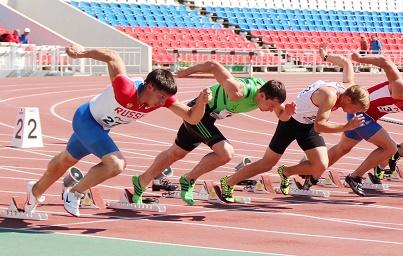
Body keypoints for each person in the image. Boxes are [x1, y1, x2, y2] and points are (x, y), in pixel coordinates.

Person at [26, 45, 210, 217]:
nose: (162, 103)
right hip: (86, 119)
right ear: (150, 86)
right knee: (116, 164)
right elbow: (112, 56)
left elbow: (192, 117)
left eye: (166, 99)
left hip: (101, 128)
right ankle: (74, 193)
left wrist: (201, 103)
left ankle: (35, 191)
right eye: (161, 97)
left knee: (66, 159)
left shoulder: (164, 100)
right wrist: (81, 53)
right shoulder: (125, 88)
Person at [217, 43, 370, 202]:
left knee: (320, 165)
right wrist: (346, 127)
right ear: (348, 98)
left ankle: (286, 172)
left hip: (307, 125)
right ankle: (228, 182)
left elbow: (346, 63)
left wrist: (326, 57)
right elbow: (320, 125)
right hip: (291, 122)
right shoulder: (329, 96)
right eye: (355, 108)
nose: (354, 112)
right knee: (267, 164)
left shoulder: (350, 87)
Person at [130, 61, 290, 205]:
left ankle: (141, 181)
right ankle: (188, 179)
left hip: (208, 118)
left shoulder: (269, 94)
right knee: (225, 153)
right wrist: (186, 72)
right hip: (199, 111)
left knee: (176, 153)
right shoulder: (238, 91)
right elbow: (213, 66)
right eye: (270, 106)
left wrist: (287, 113)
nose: (271, 110)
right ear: (261, 95)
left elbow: (281, 115)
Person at [324, 53, 403, 196]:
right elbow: (386, 61)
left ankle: (310, 170)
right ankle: (355, 177)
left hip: (366, 116)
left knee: (343, 148)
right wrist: (361, 59)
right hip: (360, 113)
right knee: (390, 148)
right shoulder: (401, 89)